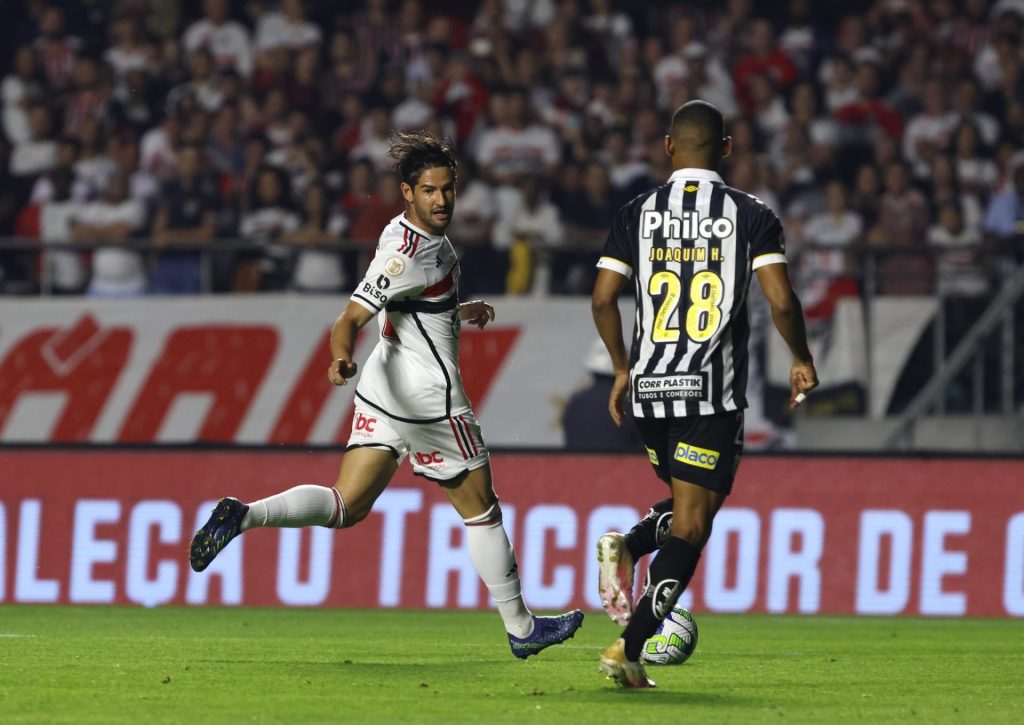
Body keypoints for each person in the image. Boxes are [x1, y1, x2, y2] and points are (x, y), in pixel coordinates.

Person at [189, 130, 583, 658]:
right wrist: (340, 355)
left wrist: (457, 312)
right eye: (429, 191)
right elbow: (352, 316)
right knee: (481, 510)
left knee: (346, 505)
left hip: (384, 384)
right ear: (407, 192)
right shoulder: (408, 254)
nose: (441, 200)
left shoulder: (403, 234)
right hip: (427, 398)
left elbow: (411, 307)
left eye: (447, 189)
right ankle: (522, 627)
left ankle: (244, 514)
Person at [590, 100, 818, 688]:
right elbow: (783, 301)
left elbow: (601, 298)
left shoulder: (636, 212)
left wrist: (620, 368)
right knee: (694, 525)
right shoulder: (751, 214)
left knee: (695, 511)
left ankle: (633, 543)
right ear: (728, 147)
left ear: (669, 147)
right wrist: (800, 357)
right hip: (710, 395)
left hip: (649, 392)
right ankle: (628, 647)